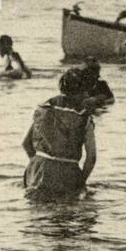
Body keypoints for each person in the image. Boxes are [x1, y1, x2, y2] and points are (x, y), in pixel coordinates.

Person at [22, 68, 97, 199]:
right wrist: (81, 182)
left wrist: (40, 165)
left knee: (39, 215)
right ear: (82, 91)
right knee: (69, 214)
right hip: (67, 173)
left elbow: (26, 144)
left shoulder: (43, 108)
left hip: (37, 169)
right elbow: (91, 158)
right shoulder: (83, 116)